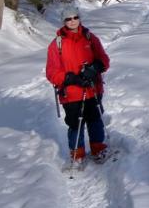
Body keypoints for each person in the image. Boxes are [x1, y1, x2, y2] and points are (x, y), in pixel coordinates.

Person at [45, 9, 110, 162]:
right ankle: (77, 154)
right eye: (68, 19)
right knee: (76, 124)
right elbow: (51, 72)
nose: (72, 21)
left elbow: (104, 60)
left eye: (75, 17)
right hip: (71, 93)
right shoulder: (56, 45)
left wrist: (94, 68)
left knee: (95, 120)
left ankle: (98, 148)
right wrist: (71, 78)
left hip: (92, 88)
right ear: (64, 21)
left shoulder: (90, 38)